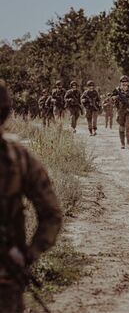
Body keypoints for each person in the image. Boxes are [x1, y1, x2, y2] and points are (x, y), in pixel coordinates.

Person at [0, 80, 62, 313]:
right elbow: (52, 214)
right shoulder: (19, 157)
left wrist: (28, 255)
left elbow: (51, 215)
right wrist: (30, 254)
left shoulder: (18, 158)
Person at [112, 75, 129, 149]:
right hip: (120, 111)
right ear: (120, 82)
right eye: (123, 82)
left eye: (126, 82)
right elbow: (112, 98)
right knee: (121, 127)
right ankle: (122, 143)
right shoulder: (117, 90)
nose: (124, 83)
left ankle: (128, 143)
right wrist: (115, 98)